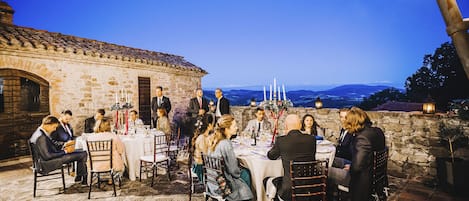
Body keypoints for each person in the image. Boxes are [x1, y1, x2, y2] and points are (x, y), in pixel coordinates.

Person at [266, 114, 316, 201]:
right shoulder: (311, 139)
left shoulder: (281, 140)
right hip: (309, 187)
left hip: (289, 190)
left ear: (285, 126)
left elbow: (271, 156)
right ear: (300, 125)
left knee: (267, 180)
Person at [29, 115, 88, 185]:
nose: (54, 129)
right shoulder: (41, 137)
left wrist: (64, 144)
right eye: (54, 127)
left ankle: (79, 177)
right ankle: (83, 179)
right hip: (46, 164)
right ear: (48, 125)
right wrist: (65, 151)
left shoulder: (39, 132)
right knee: (83, 154)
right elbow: (48, 156)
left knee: (80, 152)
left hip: (44, 161)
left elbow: (52, 144)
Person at [207, 114, 253, 201]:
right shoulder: (226, 144)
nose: (237, 128)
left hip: (212, 183)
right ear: (227, 129)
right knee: (246, 173)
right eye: (234, 126)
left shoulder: (215, 140)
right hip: (223, 186)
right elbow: (234, 171)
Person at [345, 107, 386, 201]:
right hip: (376, 175)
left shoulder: (361, 138)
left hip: (362, 181)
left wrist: (350, 167)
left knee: (329, 173)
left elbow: (357, 167)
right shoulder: (377, 131)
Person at [192, 114, 214, 181]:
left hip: (202, 164)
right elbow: (205, 156)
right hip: (200, 168)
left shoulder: (205, 136)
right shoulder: (202, 138)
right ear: (209, 125)